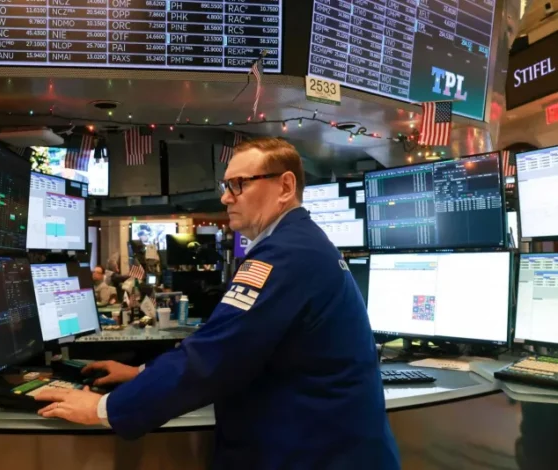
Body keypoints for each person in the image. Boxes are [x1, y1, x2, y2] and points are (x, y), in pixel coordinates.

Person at [34, 137, 400, 469]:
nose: (226, 198)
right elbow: (227, 344)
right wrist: (141, 374)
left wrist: (104, 408)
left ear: (285, 187)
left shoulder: (287, 254)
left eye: (239, 184)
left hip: (318, 454)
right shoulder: (299, 243)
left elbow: (214, 356)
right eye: (226, 186)